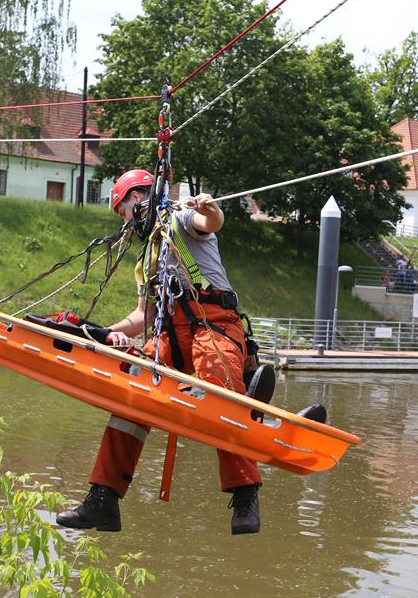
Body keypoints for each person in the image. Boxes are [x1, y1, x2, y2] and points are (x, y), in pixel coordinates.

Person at [56, 169, 263, 536]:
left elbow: (210, 221)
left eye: (123, 211)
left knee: (220, 390)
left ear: (139, 198)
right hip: (169, 336)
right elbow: (143, 315)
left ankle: (245, 494)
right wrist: (102, 334)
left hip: (212, 327)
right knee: (130, 394)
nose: (124, 222)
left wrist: (210, 207)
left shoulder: (179, 219)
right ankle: (104, 499)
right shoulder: (148, 257)